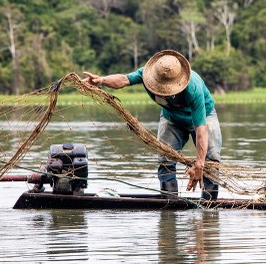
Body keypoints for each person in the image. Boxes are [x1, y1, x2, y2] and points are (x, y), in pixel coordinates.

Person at [83, 50, 222, 199]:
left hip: (204, 117)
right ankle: (170, 203)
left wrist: (199, 164)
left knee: (210, 161)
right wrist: (102, 81)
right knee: (165, 159)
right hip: (172, 118)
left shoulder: (192, 88)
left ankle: (209, 207)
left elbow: (201, 129)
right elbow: (124, 80)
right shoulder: (147, 75)